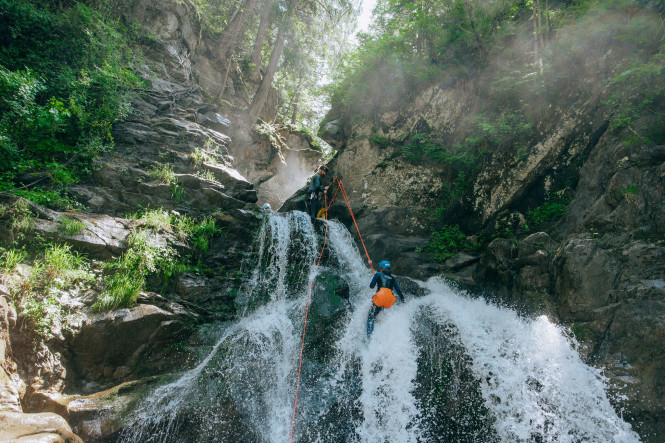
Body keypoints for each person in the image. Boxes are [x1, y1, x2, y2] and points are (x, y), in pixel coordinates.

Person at [366, 260, 405, 337]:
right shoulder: (393, 278)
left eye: (380, 268)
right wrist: (403, 300)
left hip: (380, 297)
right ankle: (382, 335)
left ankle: (369, 338)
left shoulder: (378, 274)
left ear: (382, 268)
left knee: (371, 317)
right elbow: (398, 291)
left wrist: (376, 279)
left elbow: (371, 286)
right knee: (380, 311)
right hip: (389, 300)